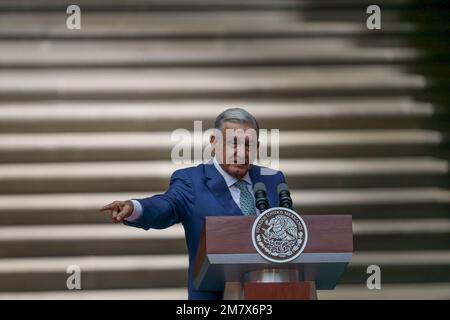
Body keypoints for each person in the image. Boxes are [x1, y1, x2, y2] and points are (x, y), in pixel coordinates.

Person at [99, 108, 286, 300]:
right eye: (233, 143)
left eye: (249, 145)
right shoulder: (191, 180)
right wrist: (135, 208)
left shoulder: (273, 180)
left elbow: (292, 237)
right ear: (214, 141)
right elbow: (166, 205)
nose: (241, 152)